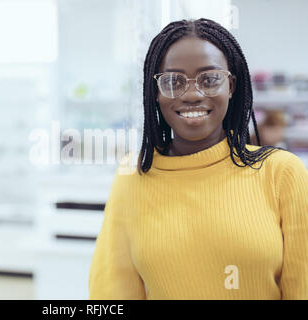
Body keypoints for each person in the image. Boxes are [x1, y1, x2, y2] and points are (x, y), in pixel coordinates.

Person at [88, 18, 308, 300]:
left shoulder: (281, 172)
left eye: (210, 78)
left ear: (231, 86)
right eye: (172, 81)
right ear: (155, 92)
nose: (192, 94)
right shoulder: (134, 172)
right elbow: (112, 291)